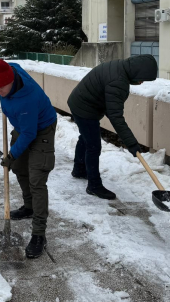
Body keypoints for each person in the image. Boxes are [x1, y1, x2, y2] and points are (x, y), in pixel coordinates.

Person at [0, 58, 57, 259]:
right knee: (19, 168)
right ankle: (29, 207)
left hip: (41, 129)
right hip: (23, 125)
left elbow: (29, 134)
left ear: (11, 81)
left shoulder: (28, 98)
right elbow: (11, 66)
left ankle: (39, 234)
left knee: (37, 179)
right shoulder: (11, 71)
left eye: (2, 88)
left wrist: (11, 155)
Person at [67, 54, 158, 200]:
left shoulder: (120, 67)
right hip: (85, 108)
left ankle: (79, 169)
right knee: (93, 145)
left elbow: (112, 110)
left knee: (85, 137)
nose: (141, 82)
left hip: (79, 101)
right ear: (136, 72)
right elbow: (115, 116)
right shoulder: (118, 82)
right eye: (142, 78)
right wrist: (131, 143)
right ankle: (94, 186)